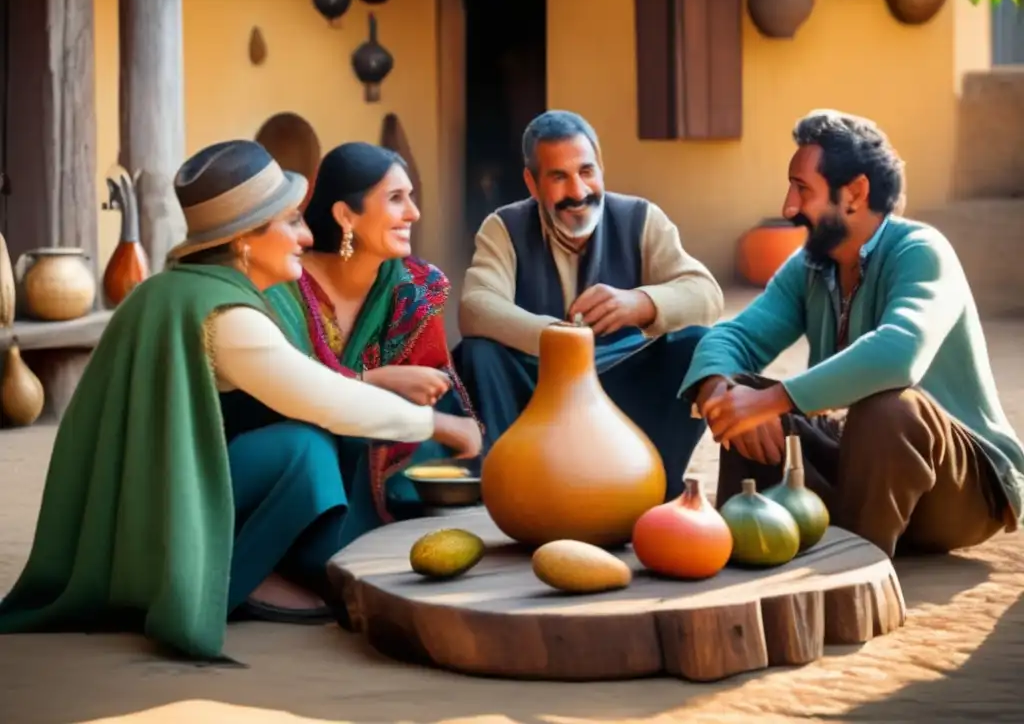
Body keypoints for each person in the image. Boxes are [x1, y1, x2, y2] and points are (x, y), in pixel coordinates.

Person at [0, 140, 481, 660]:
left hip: (147, 496)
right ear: (247, 240)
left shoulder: (184, 289)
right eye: (291, 221)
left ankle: (266, 566)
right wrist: (438, 426)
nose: (304, 235)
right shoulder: (227, 316)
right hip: (159, 515)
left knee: (308, 451)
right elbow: (325, 399)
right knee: (302, 449)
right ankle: (233, 579)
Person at [680, 109, 1024, 558]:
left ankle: (852, 569)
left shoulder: (921, 251)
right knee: (743, 391)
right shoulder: (807, 268)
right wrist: (720, 389)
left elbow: (900, 353)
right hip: (862, 473)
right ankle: (754, 549)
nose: (788, 207)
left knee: (889, 407)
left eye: (802, 189)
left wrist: (773, 400)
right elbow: (734, 337)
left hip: (962, 490)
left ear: (855, 193)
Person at [221, 141, 480, 548]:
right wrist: (374, 380)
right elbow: (273, 398)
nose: (413, 213)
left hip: (390, 450)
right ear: (346, 215)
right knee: (316, 440)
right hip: (289, 454)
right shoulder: (281, 283)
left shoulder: (416, 287)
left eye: (410, 198)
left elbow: (438, 393)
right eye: (396, 199)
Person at [454, 110, 724, 500]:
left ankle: (651, 492)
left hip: (621, 383)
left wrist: (641, 303)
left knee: (697, 345)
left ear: (602, 167)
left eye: (586, 171)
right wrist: (557, 337)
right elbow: (476, 306)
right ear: (532, 183)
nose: (579, 191)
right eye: (559, 177)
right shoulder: (504, 227)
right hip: (537, 388)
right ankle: (512, 493)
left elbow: (707, 295)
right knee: (480, 353)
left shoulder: (640, 218)